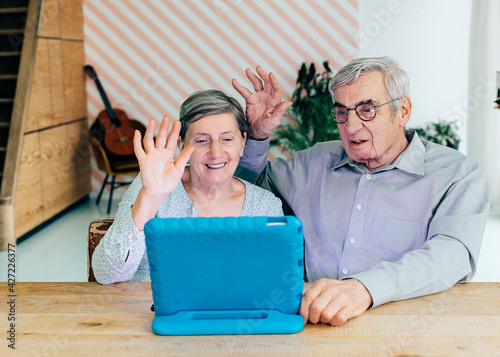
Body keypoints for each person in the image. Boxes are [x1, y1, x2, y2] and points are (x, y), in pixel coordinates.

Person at [232, 57, 490, 326]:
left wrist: (365, 288)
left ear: (402, 111)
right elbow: (247, 192)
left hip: (409, 327)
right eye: (342, 112)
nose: (351, 127)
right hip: (311, 325)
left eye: (367, 110)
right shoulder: (312, 163)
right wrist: (258, 136)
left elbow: (452, 254)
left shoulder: (458, 175)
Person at [93, 89, 283, 284]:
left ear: (243, 143)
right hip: (150, 313)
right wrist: (149, 199)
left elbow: (275, 282)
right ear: (182, 145)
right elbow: (106, 274)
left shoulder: (265, 206)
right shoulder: (152, 185)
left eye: (227, 139)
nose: (216, 152)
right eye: (201, 141)